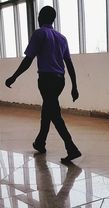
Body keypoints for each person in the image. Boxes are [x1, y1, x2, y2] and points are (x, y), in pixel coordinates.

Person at [5, 6, 81, 162]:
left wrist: (14, 77)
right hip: (60, 80)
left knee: (54, 113)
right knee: (48, 109)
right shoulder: (62, 37)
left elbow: (28, 59)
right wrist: (74, 86)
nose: (38, 17)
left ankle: (71, 147)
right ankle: (40, 142)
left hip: (46, 80)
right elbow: (69, 64)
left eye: (39, 15)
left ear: (41, 17)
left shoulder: (39, 34)